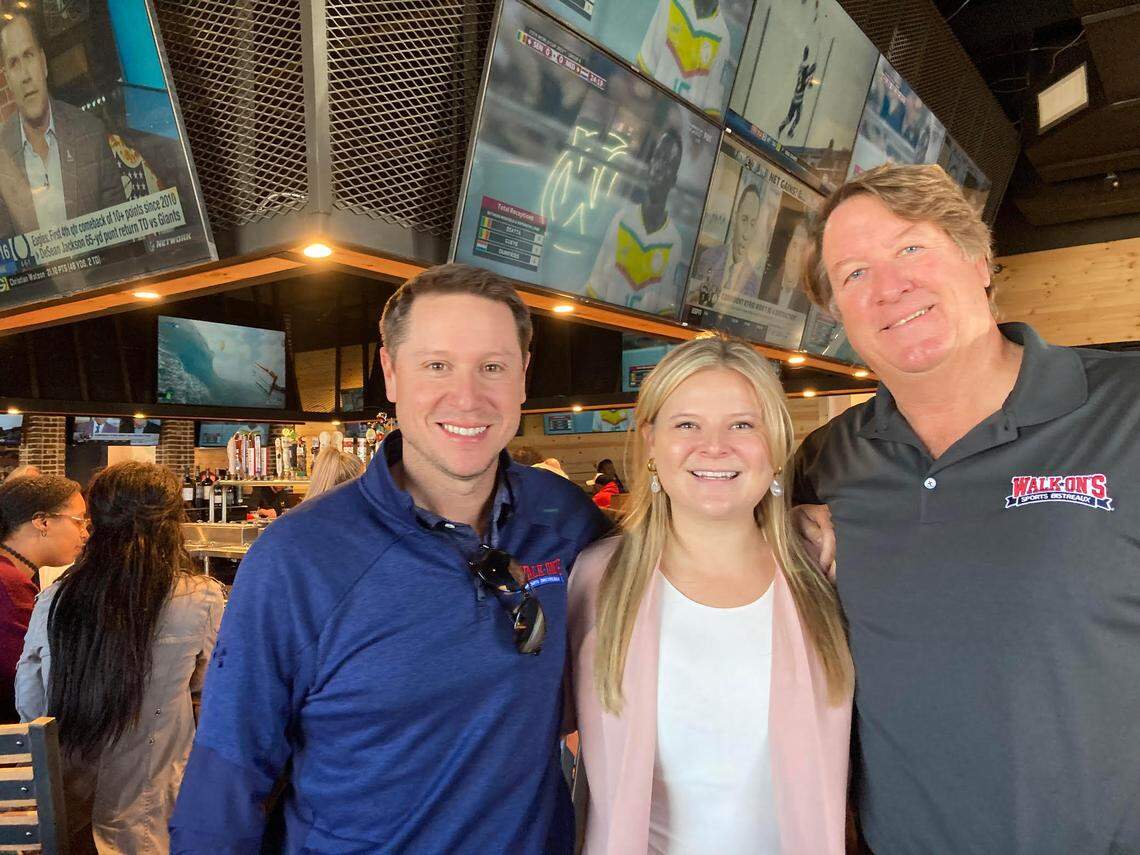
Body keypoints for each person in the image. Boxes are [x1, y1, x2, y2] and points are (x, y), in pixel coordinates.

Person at [170, 264, 609, 853]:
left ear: (523, 377)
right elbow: (227, 777)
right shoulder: (297, 559)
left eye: (493, 367)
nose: (468, 396)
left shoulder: (564, 518)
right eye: (437, 365)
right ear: (390, 372)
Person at [793, 163, 1140, 853]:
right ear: (837, 316)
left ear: (979, 258)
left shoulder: (1126, 410)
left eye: (911, 249)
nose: (890, 287)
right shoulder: (826, 462)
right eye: (854, 274)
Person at [568, 334, 853, 854]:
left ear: (778, 443)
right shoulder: (595, 582)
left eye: (742, 424)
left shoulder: (825, 571)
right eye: (686, 424)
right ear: (651, 440)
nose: (715, 446)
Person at [15, 462, 224, 854]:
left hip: (68, 805)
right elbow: (212, 694)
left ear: (96, 520)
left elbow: (29, 698)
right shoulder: (200, 597)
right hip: (153, 803)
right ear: (170, 522)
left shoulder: (56, 597)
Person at [0, 12, 123, 234]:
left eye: (29, 55)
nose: (26, 75)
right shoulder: (1, 154)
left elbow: (124, 239)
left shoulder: (91, 133)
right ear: (7, 79)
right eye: (14, 63)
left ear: (44, 63)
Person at [0, 474, 86, 721]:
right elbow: (33, 676)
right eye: (78, 521)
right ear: (42, 522)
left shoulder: (13, 576)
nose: (85, 534)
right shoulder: (9, 585)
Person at [584, 129, 684, 317]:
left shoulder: (674, 241)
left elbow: (666, 310)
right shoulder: (622, 220)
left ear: (674, 180)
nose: (659, 167)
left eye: (667, 162)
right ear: (649, 165)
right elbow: (595, 287)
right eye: (657, 158)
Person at [635, 0, 732, 118]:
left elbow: (711, 113)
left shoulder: (723, 38)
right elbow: (643, 68)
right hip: (649, 110)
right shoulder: (671, 4)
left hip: (682, 130)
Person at [694, 183, 767, 302]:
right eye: (744, 220)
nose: (746, 234)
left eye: (752, 224)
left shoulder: (754, 283)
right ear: (735, 218)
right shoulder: (708, 257)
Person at [778, 46, 817, 140]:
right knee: (792, 117)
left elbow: (808, 80)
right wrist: (812, 71)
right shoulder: (804, 75)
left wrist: (811, 75)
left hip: (796, 99)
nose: (808, 69)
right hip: (797, 100)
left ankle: (785, 129)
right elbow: (809, 85)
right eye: (807, 69)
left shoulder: (801, 70)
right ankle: (784, 129)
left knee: (793, 117)